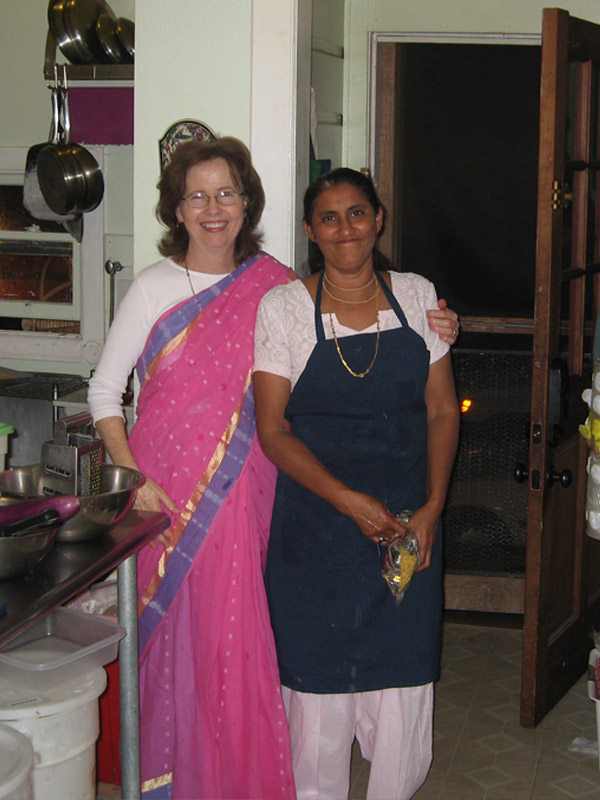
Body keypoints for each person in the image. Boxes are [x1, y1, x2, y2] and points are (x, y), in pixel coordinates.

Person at [88, 139, 459, 800]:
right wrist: (133, 478)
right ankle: (185, 780)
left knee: (246, 648)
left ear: (247, 203)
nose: (213, 208)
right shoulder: (165, 288)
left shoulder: (277, 285)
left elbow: (427, 397)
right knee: (193, 650)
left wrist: (445, 327)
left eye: (226, 193)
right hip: (184, 500)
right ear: (177, 208)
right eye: (197, 196)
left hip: (255, 500)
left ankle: (240, 777)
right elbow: (107, 393)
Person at [253, 167, 460, 800]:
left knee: (402, 684)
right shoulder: (284, 308)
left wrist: (433, 507)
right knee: (317, 697)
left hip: (407, 523)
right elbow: (273, 430)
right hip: (315, 531)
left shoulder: (418, 295)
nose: (345, 228)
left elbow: (442, 411)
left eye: (357, 213)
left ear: (378, 220)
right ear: (311, 231)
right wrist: (346, 500)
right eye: (329, 217)